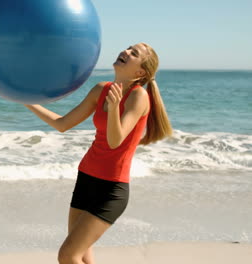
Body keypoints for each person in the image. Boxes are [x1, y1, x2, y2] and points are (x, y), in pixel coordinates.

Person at [24, 43, 173, 264]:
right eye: (128, 48)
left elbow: (116, 141)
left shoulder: (138, 96)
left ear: (140, 72)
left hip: (110, 190)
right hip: (86, 179)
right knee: (83, 255)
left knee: (67, 256)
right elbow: (62, 123)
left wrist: (113, 109)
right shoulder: (100, 89)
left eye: (134, 54)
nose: (126, 52)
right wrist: (25, 101)